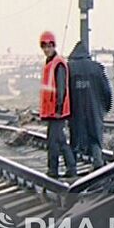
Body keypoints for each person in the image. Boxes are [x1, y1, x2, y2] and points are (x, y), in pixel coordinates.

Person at [68, 41, 112, 169]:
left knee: (75, 135)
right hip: (95, 108)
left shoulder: (69, 68)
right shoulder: (97, 67)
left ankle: (72, 166)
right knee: (95, 135)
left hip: (75, 108)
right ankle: (97, 161)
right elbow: (106, 90)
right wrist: (105, 107)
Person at [38, 31, 77, 178]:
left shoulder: (58, 64)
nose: (47, 49)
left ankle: (53, 169)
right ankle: (70, 168)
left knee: (54, 141)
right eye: (44, 46)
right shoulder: (50, 64)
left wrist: (59, 108)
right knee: (59, 140)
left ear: (53, 46)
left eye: (49, 46)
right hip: (51, 110)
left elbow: (61, 88)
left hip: (57, 110)